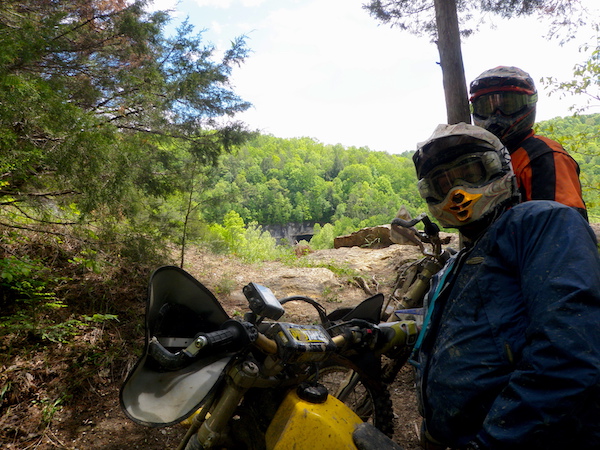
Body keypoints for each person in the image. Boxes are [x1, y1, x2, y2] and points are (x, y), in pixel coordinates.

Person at [411, 122, 600, 450]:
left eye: (470, 172)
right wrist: (387, 332)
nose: (457, 191)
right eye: (443, 182)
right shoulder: (457, 263)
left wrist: (492, 442)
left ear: (497, 168)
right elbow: (456, 332)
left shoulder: (541, 223)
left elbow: (570, 352)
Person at [469, 66, 588, 220]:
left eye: (508, 105)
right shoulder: (491, 158)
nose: (496, 115)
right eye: (487, 107)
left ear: (528, 104)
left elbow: (565, 228)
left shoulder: (545, 156)